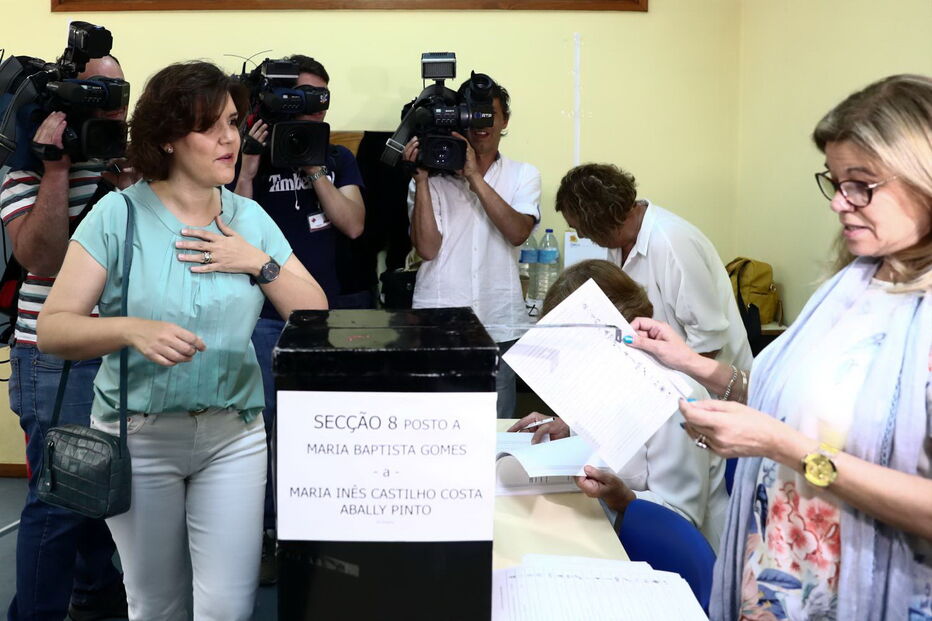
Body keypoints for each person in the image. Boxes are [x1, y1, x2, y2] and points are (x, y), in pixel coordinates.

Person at [627, 74, 932, 620]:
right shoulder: (854, 284)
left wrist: (780, 446)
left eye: (861, 183)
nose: (840, 203)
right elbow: (786, 402)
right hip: (781, 581)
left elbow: (792, 437)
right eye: (835, 181)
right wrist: (690, 362)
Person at [36, 61, 327, 621]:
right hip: (141, 436)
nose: (229, 139)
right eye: (208, 126)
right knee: (158, 604)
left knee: (228, 606)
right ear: (168, 138)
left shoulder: (250, 218)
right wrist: (128, 329)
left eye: (234, 123)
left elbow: (314, 312)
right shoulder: (117, 216)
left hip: (234, 436)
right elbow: (53, 329)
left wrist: (257, 262)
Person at [0, 54, 131, 621]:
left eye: (116, 88)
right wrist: (57, 171)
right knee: (58, 503)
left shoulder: (129, 168)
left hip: (122, 352)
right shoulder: (25, 168)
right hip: (55, 358)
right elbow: (42, 258)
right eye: (93, 89)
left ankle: (94, 597)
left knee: (103, 495)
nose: (107, 101)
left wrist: (130, 190)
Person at [232, 54, 366, 583]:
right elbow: (231, 227)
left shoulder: (337, 157)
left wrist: (315, 170)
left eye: (318, 99)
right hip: (261, 317)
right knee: (262, 432)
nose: (308, 109)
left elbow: (353, 225)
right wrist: (247, 165)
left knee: (322, 428)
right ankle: (268, 533)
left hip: (323, 318)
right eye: (297, 97)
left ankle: (319, 530)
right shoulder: (249, 157)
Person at [508, 259, 728, 548]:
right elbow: (613, 447)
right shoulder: (602, 377)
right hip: (607, 532)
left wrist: (624, 499)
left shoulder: (676, 398)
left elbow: (683, 519)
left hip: (675, 558)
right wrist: (569, 430)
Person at [403, 76, 541, 419]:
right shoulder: (430, 177)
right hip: (439, 320)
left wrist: (473, 178)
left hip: (499, 320)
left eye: (488, 115)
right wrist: (421, 180)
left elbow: (518, 232)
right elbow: (428, 250)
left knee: (497, 426)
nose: (481, 125)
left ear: (504, 120)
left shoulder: (523, 175)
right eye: (472, 115)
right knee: (435, 423)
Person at [555, 163, 753, 373]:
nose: (582, 236)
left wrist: (667, 387)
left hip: (711, 387)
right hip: (665, 375)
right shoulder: (616, 243)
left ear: (602, 221)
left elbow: (709, 341)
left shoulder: (672, 243)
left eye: (580, 228)